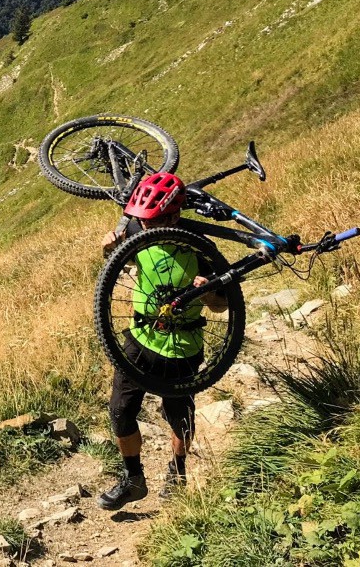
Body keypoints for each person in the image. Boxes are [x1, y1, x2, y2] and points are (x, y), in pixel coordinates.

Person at [95, 172, 228, 510]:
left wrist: (209, 290)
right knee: (121, 411)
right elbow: (115, 262)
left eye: (155, 222)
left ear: (173, 216)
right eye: (144, 222)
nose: (147, 227)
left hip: (183, 347)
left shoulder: (201, 249)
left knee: (178, 415)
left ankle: (178, 472)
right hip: (140, 340)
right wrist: (109, 247)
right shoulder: (137, 231)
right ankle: (133, 479)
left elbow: (221, 305)